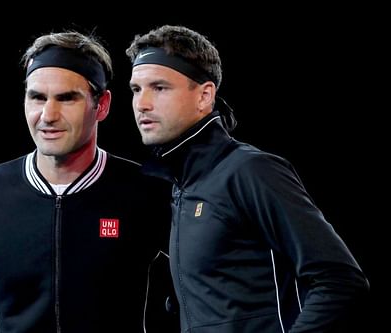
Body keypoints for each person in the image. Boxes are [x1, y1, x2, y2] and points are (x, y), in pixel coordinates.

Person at [126, 25, 370, 333]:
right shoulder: (180, 185)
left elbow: (339, 280)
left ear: (204, 96)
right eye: (136, 89)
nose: (142, 104)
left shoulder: (250, 171)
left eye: (159, 88)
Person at [0, 31, 179, 333]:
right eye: (37, 97)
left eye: (67, 98)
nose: (48, 115)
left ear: (101, 105)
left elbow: (194, 296)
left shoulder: (148, 190)